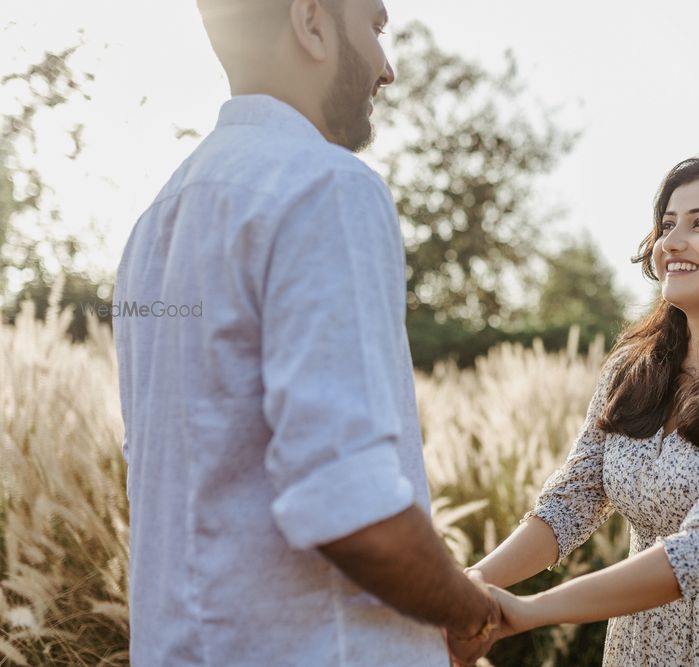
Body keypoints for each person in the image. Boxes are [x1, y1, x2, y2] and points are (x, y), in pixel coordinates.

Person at [112, 0, 500, 665]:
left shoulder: (152, 227)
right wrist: (469, 609)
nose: (388, 69)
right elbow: (349, 505)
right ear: (312, 21)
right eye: (376, 28)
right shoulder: (326, 186)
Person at [466, 155, 699, 666]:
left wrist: (531, 610)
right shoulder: (633, 366)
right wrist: (473, 583)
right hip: (638, 649)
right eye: (667, 224)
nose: (671, 241)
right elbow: (571, 502)